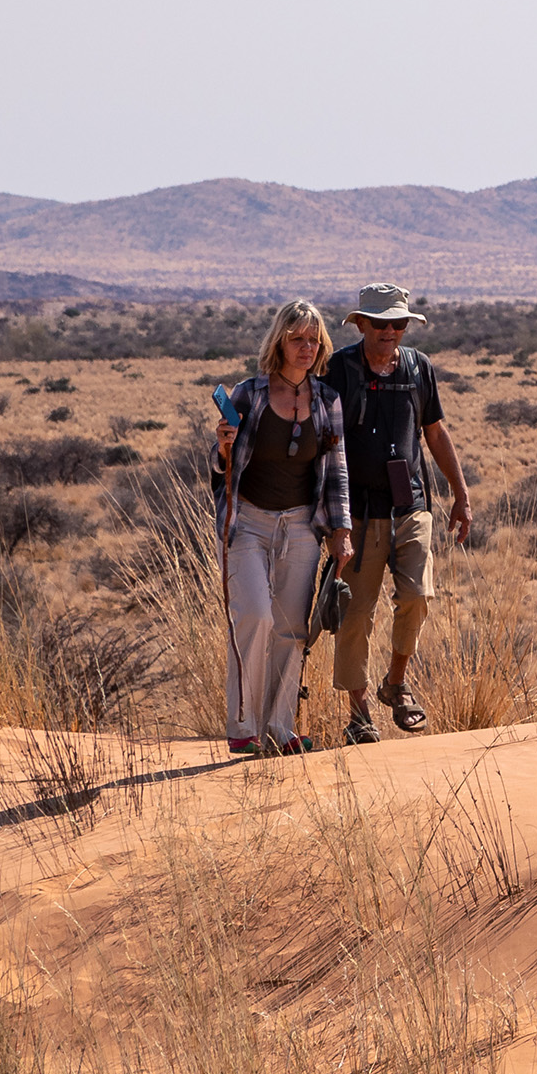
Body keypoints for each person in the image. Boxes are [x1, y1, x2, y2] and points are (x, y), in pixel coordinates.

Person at [324, 282, 471, 742]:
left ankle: (396, 683)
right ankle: (359, 715)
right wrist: (333, 518)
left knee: (417, 596)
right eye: (380, 324)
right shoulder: (339, 371)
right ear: (361, 324)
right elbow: (324, 443)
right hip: (360, 515)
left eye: (398, 323)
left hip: (411, 505)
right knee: (356, 614)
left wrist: (460, 493)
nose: (390, 332)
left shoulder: (418, 368)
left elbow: (435, 432)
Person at [214, 300, 351, 756]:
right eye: (298, 339)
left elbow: (336, 472)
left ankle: (280, 727)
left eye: (314, 340)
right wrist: (221, 447)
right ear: (280, 341)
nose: (307, 347)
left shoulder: (327, 400)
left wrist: (341, 530)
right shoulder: (248, 395)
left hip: (300, 526)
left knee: (292, 628)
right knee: (254, 615)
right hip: (248, 523)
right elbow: (220, 467)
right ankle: (242, 724)